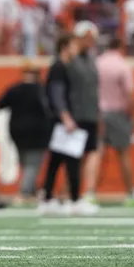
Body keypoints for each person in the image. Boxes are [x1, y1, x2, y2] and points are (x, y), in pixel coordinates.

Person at [39, 34, 99, 216]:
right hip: (64, 121)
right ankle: (74, 200)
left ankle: (48, 197)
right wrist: (65, 116)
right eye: (73, 45)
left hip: (62, 120)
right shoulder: (59, 67)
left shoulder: (64, 66)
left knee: (56, 161)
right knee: (72, 160)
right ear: (65, 46)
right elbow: (56, 94)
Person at [0, 60, 50, 205]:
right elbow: (50, 110)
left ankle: (31, 191)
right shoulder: (42, 90)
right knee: (33, 163)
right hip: (38, 132)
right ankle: (24, 192)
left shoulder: (15, 89)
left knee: (25, 161)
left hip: (18, 132)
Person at [96, 37, 134, 205]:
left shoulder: (96, 63)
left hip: (98, 112)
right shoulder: (123, 65)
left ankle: (89, 191)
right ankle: (131, 190)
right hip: (118, 112)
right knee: (123, 153)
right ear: (120, 46)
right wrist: (131, 114)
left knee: (96, 154)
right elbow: (129, 94)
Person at [68, 21, 103, 205]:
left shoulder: (91, 59)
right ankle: (71, 192)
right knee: (73, 155)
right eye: (86, 38)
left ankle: (87, 191)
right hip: (73, 114)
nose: (90, 42)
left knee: (91, 152)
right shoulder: (70, 58)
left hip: (89, 113)